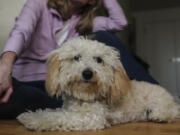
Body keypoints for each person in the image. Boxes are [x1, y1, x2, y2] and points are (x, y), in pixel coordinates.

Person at [0, 0, 157, 119]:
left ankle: (156, 96)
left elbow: (120, 22)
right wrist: (5, 64)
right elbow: (21, 30)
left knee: (104, 36)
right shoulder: (40, 4)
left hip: (62, 89)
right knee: (23, 94)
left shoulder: (85, 21)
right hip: (29, 81)